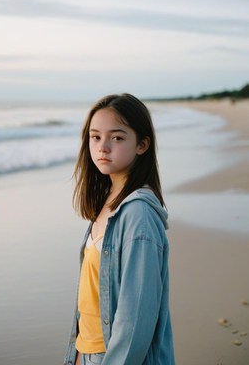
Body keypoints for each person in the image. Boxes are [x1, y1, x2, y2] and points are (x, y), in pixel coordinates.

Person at [64, 93, 175, 365]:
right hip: (87, 352)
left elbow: (135, 319)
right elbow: (90, 301)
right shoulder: (108, 202)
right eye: (95, 136)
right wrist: (76, 355)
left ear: (142, 144)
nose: (103, 147)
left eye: (117, 137)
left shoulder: (137, 214)